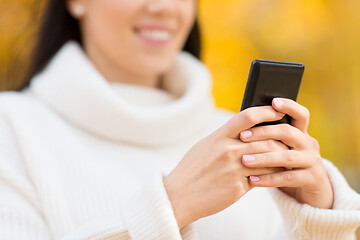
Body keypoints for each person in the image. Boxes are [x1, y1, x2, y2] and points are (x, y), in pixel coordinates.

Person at [0, 0, 359, 239]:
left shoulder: (241, 141)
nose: (164, 7)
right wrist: (171, 207)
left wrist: (318, 218)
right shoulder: (12, 127)